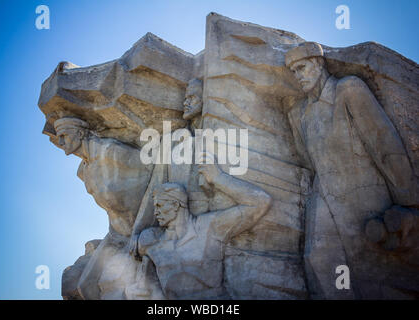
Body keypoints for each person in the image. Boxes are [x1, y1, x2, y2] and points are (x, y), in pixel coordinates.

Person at [285, 42, 418, 298]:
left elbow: (384, 145)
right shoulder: (302, 113)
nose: (297, 76)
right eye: (292, 72)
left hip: (366, 198)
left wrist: (409, 203)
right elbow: (307, 161)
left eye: (301, 68)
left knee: (380, 275)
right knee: (319, 259)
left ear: (319, 64)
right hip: (325, 200)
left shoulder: (348, 89)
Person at [128, 153, 272, 299]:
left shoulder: (209, 227)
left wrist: (218, 178)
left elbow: (260, 202)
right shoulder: (151, 241)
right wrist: (131, 291)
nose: (156, 212)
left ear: (177, 204)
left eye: (160, 205)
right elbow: (141, 279)